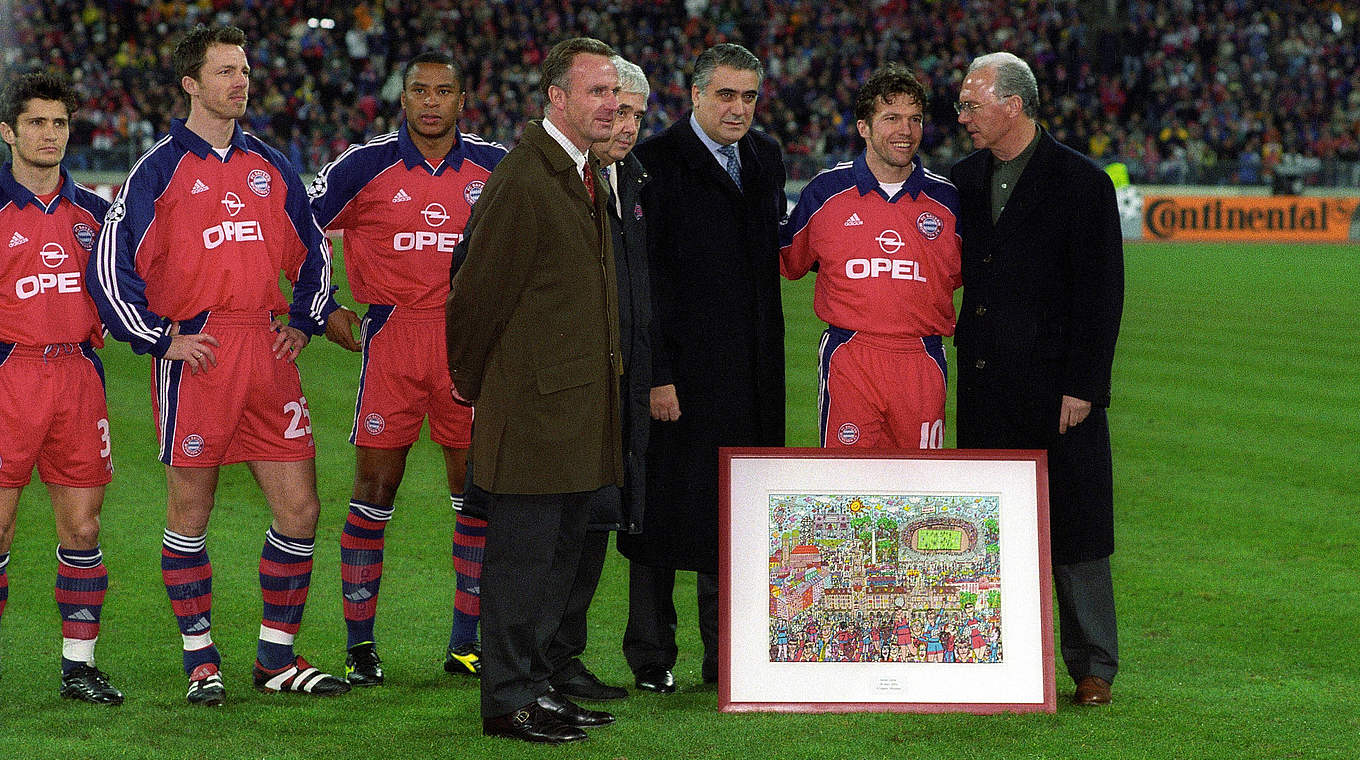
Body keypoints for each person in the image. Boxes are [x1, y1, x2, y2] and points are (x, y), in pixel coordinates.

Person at [89, 24, 348, 705]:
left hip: (266, 354)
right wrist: (158, 338)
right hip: (199, 356)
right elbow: (111, 271)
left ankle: (276, 658)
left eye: (244, 70)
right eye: (226, 71)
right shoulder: (156, 171)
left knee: (301, 508)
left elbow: (314, 252)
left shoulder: (271, 163)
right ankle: (201, 658)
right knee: (190, 510)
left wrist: (303, 318)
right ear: (190, 84)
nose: (241, 82)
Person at [309, 51, 506, 687]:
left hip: (465, 345)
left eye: (443, 91)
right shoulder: (364, 166)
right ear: (402, 99)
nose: (430, 102)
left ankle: (466, 643)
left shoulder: (495, 168)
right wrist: (321, 307)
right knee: (372, 493)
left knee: (473, 496)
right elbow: (294, 228)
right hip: (390, 339)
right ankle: (361, 646)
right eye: (419, 90)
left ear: (461, 101)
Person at [445, 37, 621, 744]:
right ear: (557, 99)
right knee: (522, 565)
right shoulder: (525, 178)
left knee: (558, 563)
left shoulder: (581, 171)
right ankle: (508, 698)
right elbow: (474, 297)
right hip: (535, 412)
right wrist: (476, 386)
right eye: (597, 92)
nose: (610, 104)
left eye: (615, 92)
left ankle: (539, 684)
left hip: (575, 410)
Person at [949, 52, 1124, 706]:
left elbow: (1102, 296)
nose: (962, 116)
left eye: (972, 104)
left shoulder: (1082, 182)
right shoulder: (961, 180)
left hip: (1059, 392)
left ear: (1012, 105)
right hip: (987, 382)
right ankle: (1001, 657)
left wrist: (1084, 386)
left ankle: (1092, 666)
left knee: (1076, 527)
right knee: (990, 525)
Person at [618, 43, 786, 692]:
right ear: (694, 95)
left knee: (734, 517)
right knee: (657, 516)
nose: (739, 109)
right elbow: (643, 280)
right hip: (677, 378)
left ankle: (727, 658)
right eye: (726, 95)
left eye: (748, 97)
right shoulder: (653, 163)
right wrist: (656, 373)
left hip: (749, 377)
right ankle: (652, 657)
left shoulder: (765, 158)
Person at [0, 71, 122, 705]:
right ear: (8, 133)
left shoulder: (96, 215)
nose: (50, 135)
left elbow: (131, 292)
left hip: (78, 377)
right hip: (8, 377)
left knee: (83, 528)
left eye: (59, 124)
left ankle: (80, 666)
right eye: (37, 123)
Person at [542, 55, 651, 704]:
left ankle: (563, 658)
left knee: (596, 527)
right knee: (558, 533)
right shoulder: (560, 181)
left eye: (635, 111)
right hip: (571, 388)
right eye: (613, 105)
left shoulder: (633, 182)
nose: (625, 121)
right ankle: (538, 663)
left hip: (620, 388)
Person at [779, 65, 961, 450]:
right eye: (891, 118)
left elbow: (962, 273)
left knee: (920, 489)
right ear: (863, 127)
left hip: (922, 358)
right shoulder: (825, 192)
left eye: (915, 119)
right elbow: (790, 259)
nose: (906, 131)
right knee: (848, 485)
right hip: (851, 356)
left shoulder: (948, 202)